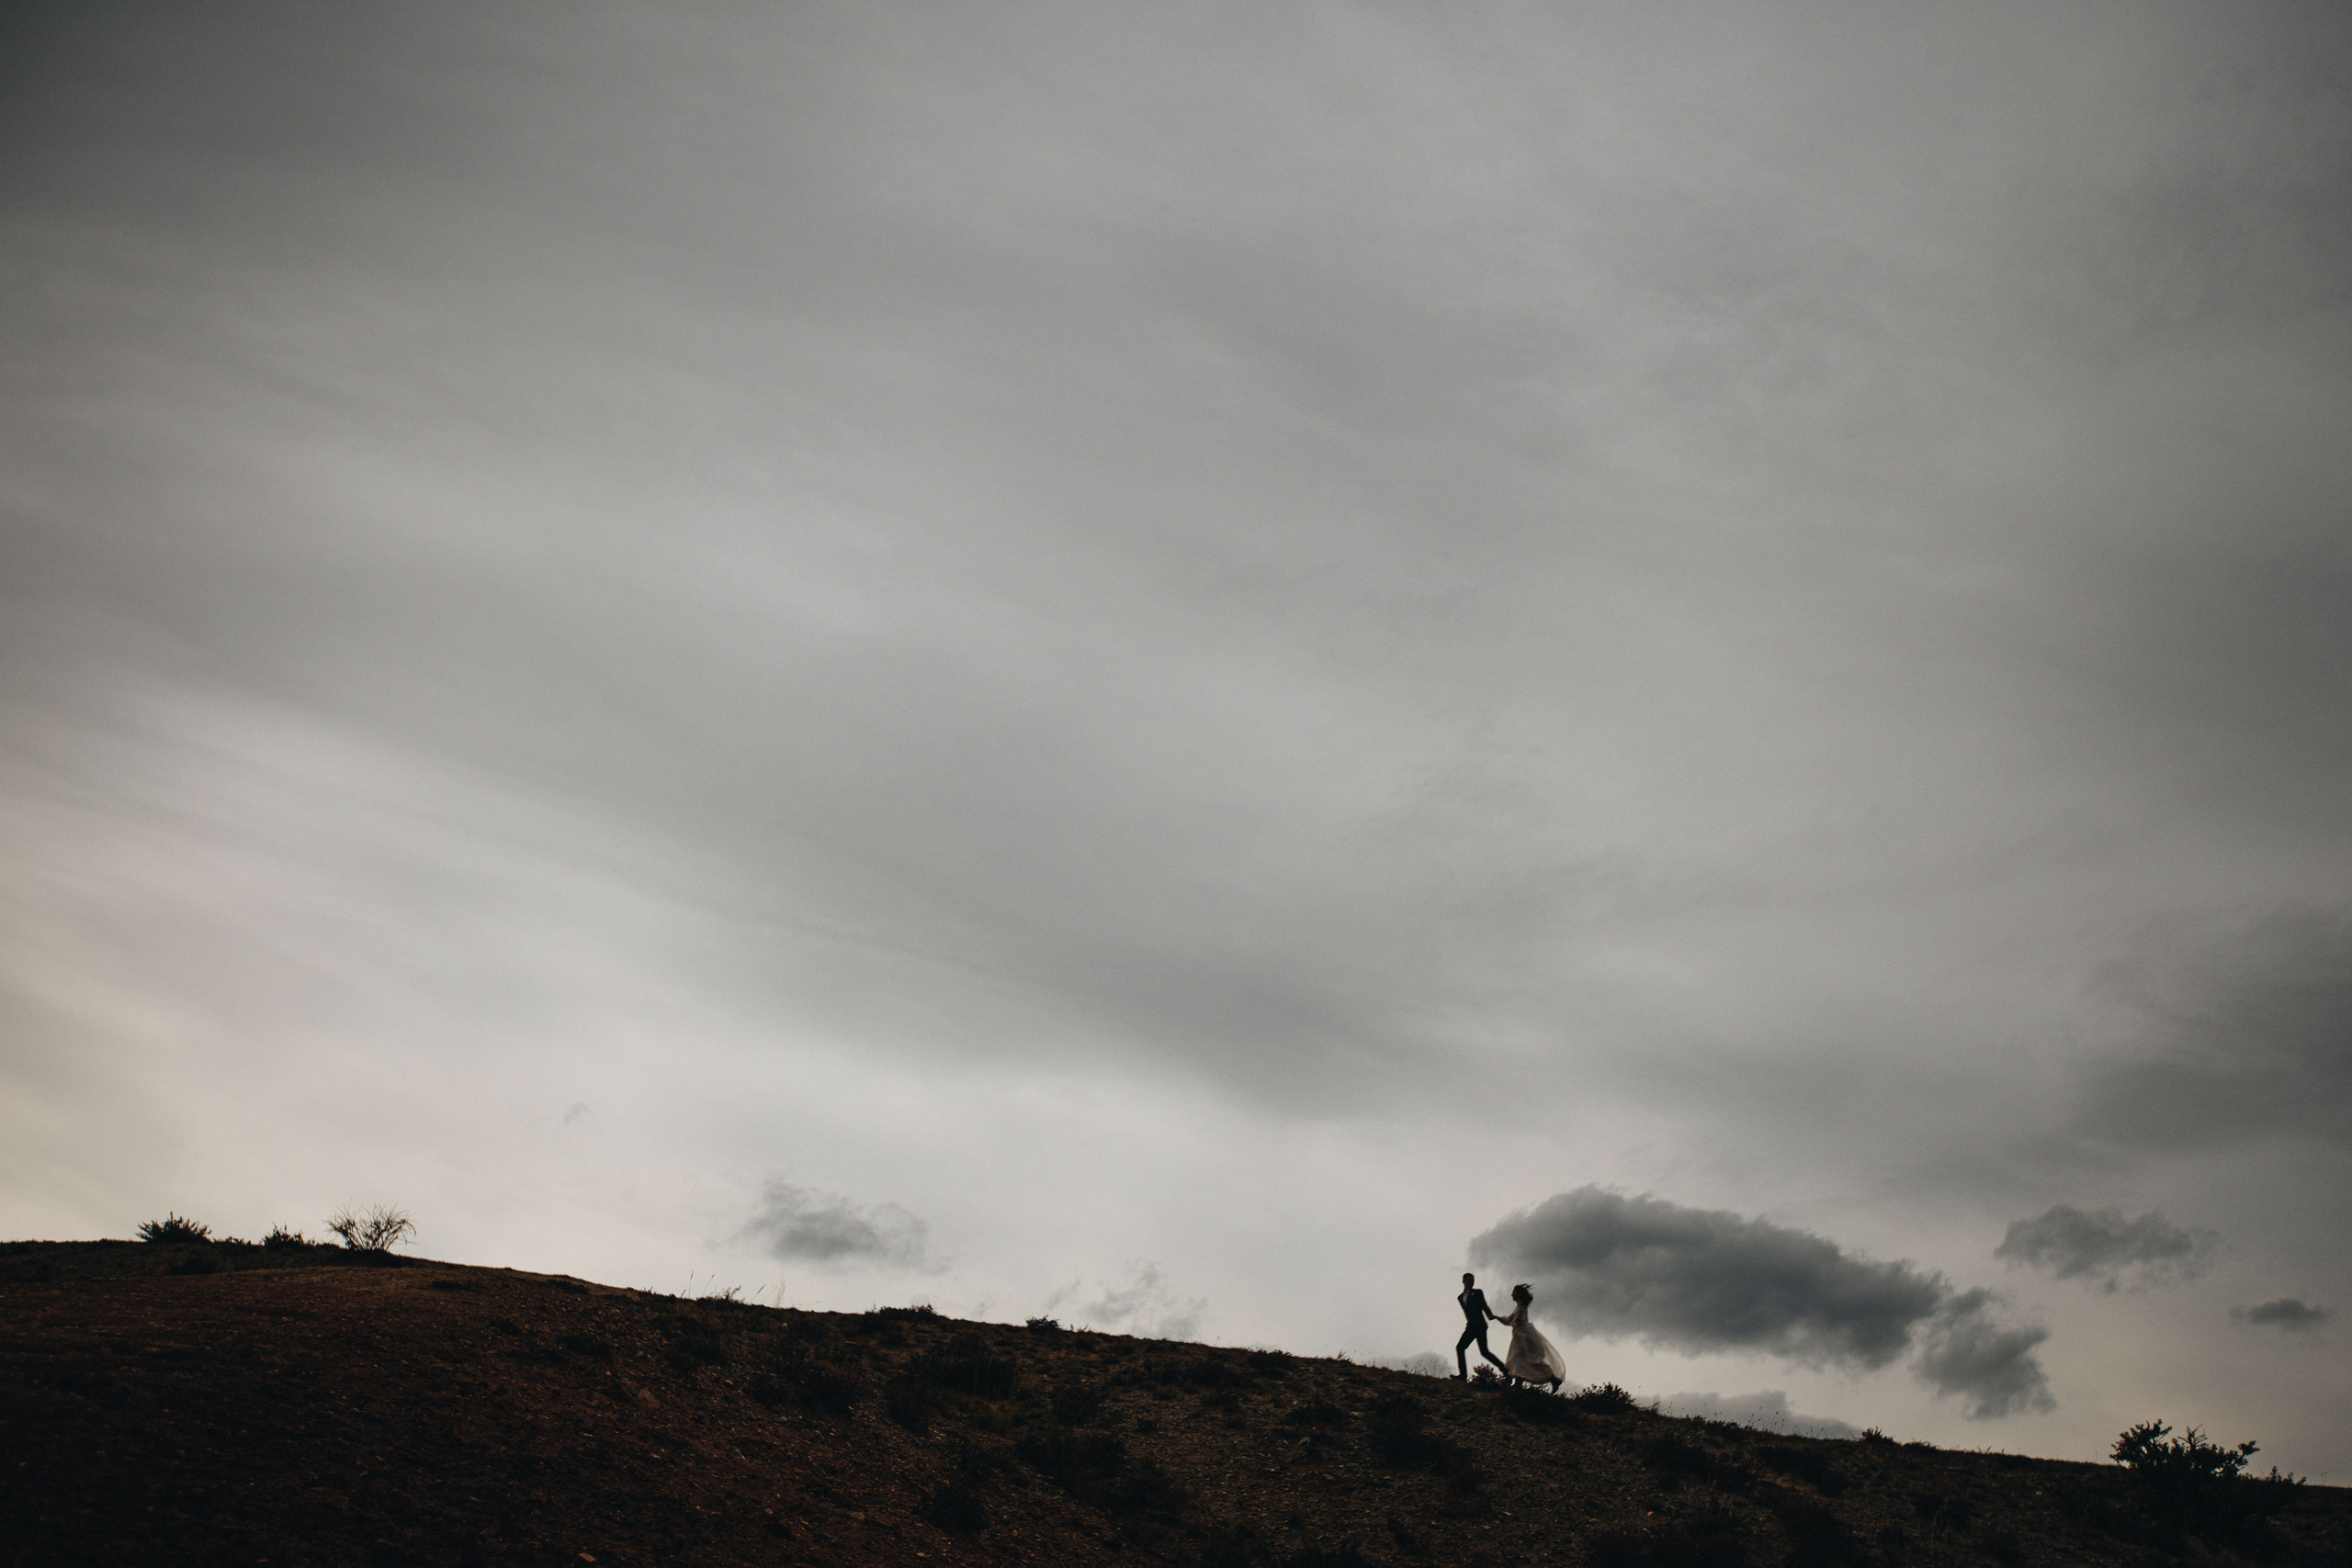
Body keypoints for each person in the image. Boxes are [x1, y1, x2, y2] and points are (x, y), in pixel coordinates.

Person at [1496, 1282, 1566, 1392]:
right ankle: (1518, 1382)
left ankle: (1553, 1379)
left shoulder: (1522, 1307)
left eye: (1514, 1293)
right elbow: (1509, 1320)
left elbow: (1516, 1321)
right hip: (1519, 1337)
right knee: (1519, 1358)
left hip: (1525, 1336)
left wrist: (1507, 1321)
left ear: (1518, 1294)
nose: (1512, 1295)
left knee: (1531, 1359)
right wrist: (1497, 1317)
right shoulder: (1519, 1306)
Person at [1454, 1272, 1508, 1380]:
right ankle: (1505, 1369)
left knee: (1461, 1348)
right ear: (1463, 1281)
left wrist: (1489, 1315)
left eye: (1472, 1280)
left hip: (1479, 1325)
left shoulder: (1478, 1292)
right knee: (1483, 1352)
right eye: (1469, 1280)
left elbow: (1484, 1304)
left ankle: (1463, 1376)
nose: (1471, 1282)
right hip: (1471, 1325)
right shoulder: (1460, 1297)